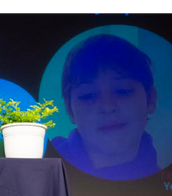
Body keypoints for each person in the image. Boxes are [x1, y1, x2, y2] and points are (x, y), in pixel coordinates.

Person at [52, 34, 160, 180]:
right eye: (88, 95)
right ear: (69, 110)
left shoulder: (168, 185)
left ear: (151, 99)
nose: (108, 106)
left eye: (123, 91)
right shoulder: (42, 169)